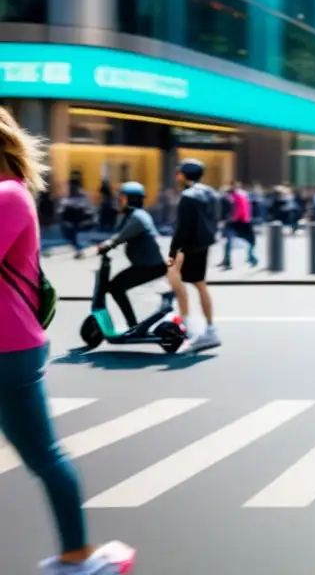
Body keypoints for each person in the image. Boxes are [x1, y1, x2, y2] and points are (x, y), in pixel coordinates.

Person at [0, 107, 136, 574]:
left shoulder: (8, 196)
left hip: (7, 348)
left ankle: (79, 557)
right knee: (44, 456)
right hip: (13, 346)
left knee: (44, 455)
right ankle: (78, 556)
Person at [97, 182, 167, 328]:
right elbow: (120, 234)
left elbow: (122, 236)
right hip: (147, 265)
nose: (119, 201)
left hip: (150, 266)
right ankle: (132, 324)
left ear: (131, 200)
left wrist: (108, 245)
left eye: (122, 198)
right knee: (116, 286)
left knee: (116, 287)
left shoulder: (138, 217)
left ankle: (132, 324)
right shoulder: (135, 215)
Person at [167, 159, 220, 352]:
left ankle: (192, 327)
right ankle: (203, 327)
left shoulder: (188, 196)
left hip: (190, 247)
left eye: (179, 172)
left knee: (176, 279)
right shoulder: (211, 193)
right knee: (198, 284)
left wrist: (173, 253)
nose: (177, 176)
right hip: (204, 245)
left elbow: (181, 228)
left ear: (185, 174)